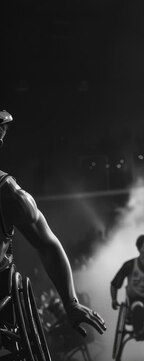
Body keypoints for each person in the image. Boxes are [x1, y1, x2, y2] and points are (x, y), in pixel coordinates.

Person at [0, 110, 105, 341]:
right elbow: (47, 245)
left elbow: (48, 245)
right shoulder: (9, 193)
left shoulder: (9, 194)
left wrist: (71, 303)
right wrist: (70, 303)